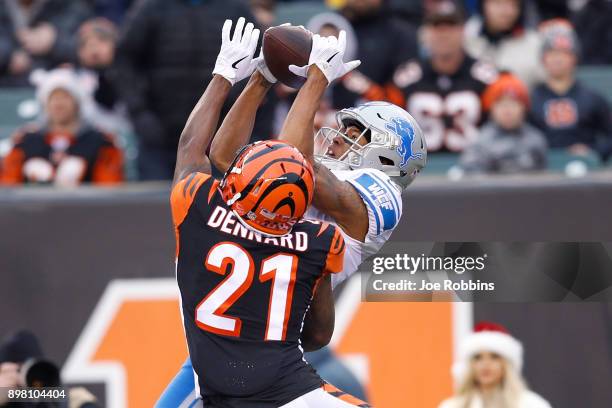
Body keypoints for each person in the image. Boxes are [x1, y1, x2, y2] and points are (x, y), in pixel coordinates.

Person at [159, 17, 426, 407]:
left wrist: (317, 76)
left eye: (355, 135)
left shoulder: (382, 196)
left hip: (270, 347)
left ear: (388, 154)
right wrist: (262, 78)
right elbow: (224, 154)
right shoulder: (307, 205)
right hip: (229, 344)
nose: (338, 140)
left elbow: (293, 165)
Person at [111, 0, 269, 181]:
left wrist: (240, 111)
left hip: (219, 136)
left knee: (221, 203)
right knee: (153, 204)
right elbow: (124, 61)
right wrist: (139, 112)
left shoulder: (235, 8)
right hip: (160, 135)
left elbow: (259, 61)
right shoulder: (152, 7)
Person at [392, 0, 498, 153]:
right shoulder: (405, 79)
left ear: (463, 31)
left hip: (476, 168)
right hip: (420, 169)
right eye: (437, 27)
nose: (444, 35)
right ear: (426, 33)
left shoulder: (486, 77)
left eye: (450, 27)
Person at [0, 68, 123, 185]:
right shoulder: (26, 141)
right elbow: (8, 187)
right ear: (45, 103)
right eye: (54, 98)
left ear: (77, 103)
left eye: (65, 97)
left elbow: (109, 192)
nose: (59, 104)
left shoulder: (100, 141)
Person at [530, 22, 612, 162]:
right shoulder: (531, 99)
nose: (557, 59)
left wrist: (593, 151)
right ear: (543, 59)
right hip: (541, 174)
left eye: (564, 53)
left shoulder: (593, 98)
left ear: (574, 58)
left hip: (585, 174)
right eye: (552, 53)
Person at [438, 321, 552, 408]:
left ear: (505, 364)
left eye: (494, 357)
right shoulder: (452, 406)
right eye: (478, 358)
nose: (485, 364)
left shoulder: (531, 404)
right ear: (470, 365)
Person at [333, 0, 419, 108]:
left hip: (382, 112)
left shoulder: (401, 34)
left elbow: (406, 81)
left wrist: (376, 94)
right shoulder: (330, 26)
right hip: (329, 113)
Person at [460, 73, 547, 173]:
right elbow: (473, 180)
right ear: (492, 109)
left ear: (523, 108)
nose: (507, 111)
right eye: (501, 105)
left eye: (513, 104)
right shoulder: (480, 142)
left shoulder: (536, 139)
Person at [0, 0, 92, 87]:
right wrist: (8, 56)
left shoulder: (72, 5)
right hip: (6, 88)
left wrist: (55, 41)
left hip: (59, 90)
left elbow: (91, 51)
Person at [464, 0, 543, 87]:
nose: (506, 11)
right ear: (483, 5)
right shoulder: (466, 38)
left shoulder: (535, 44)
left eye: (513, 4)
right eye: (498, 3)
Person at [76, 17, 131, 136]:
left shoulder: (131, 74)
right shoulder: (71, 80)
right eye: (85, 43)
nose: (93, 46)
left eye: (102, 40)